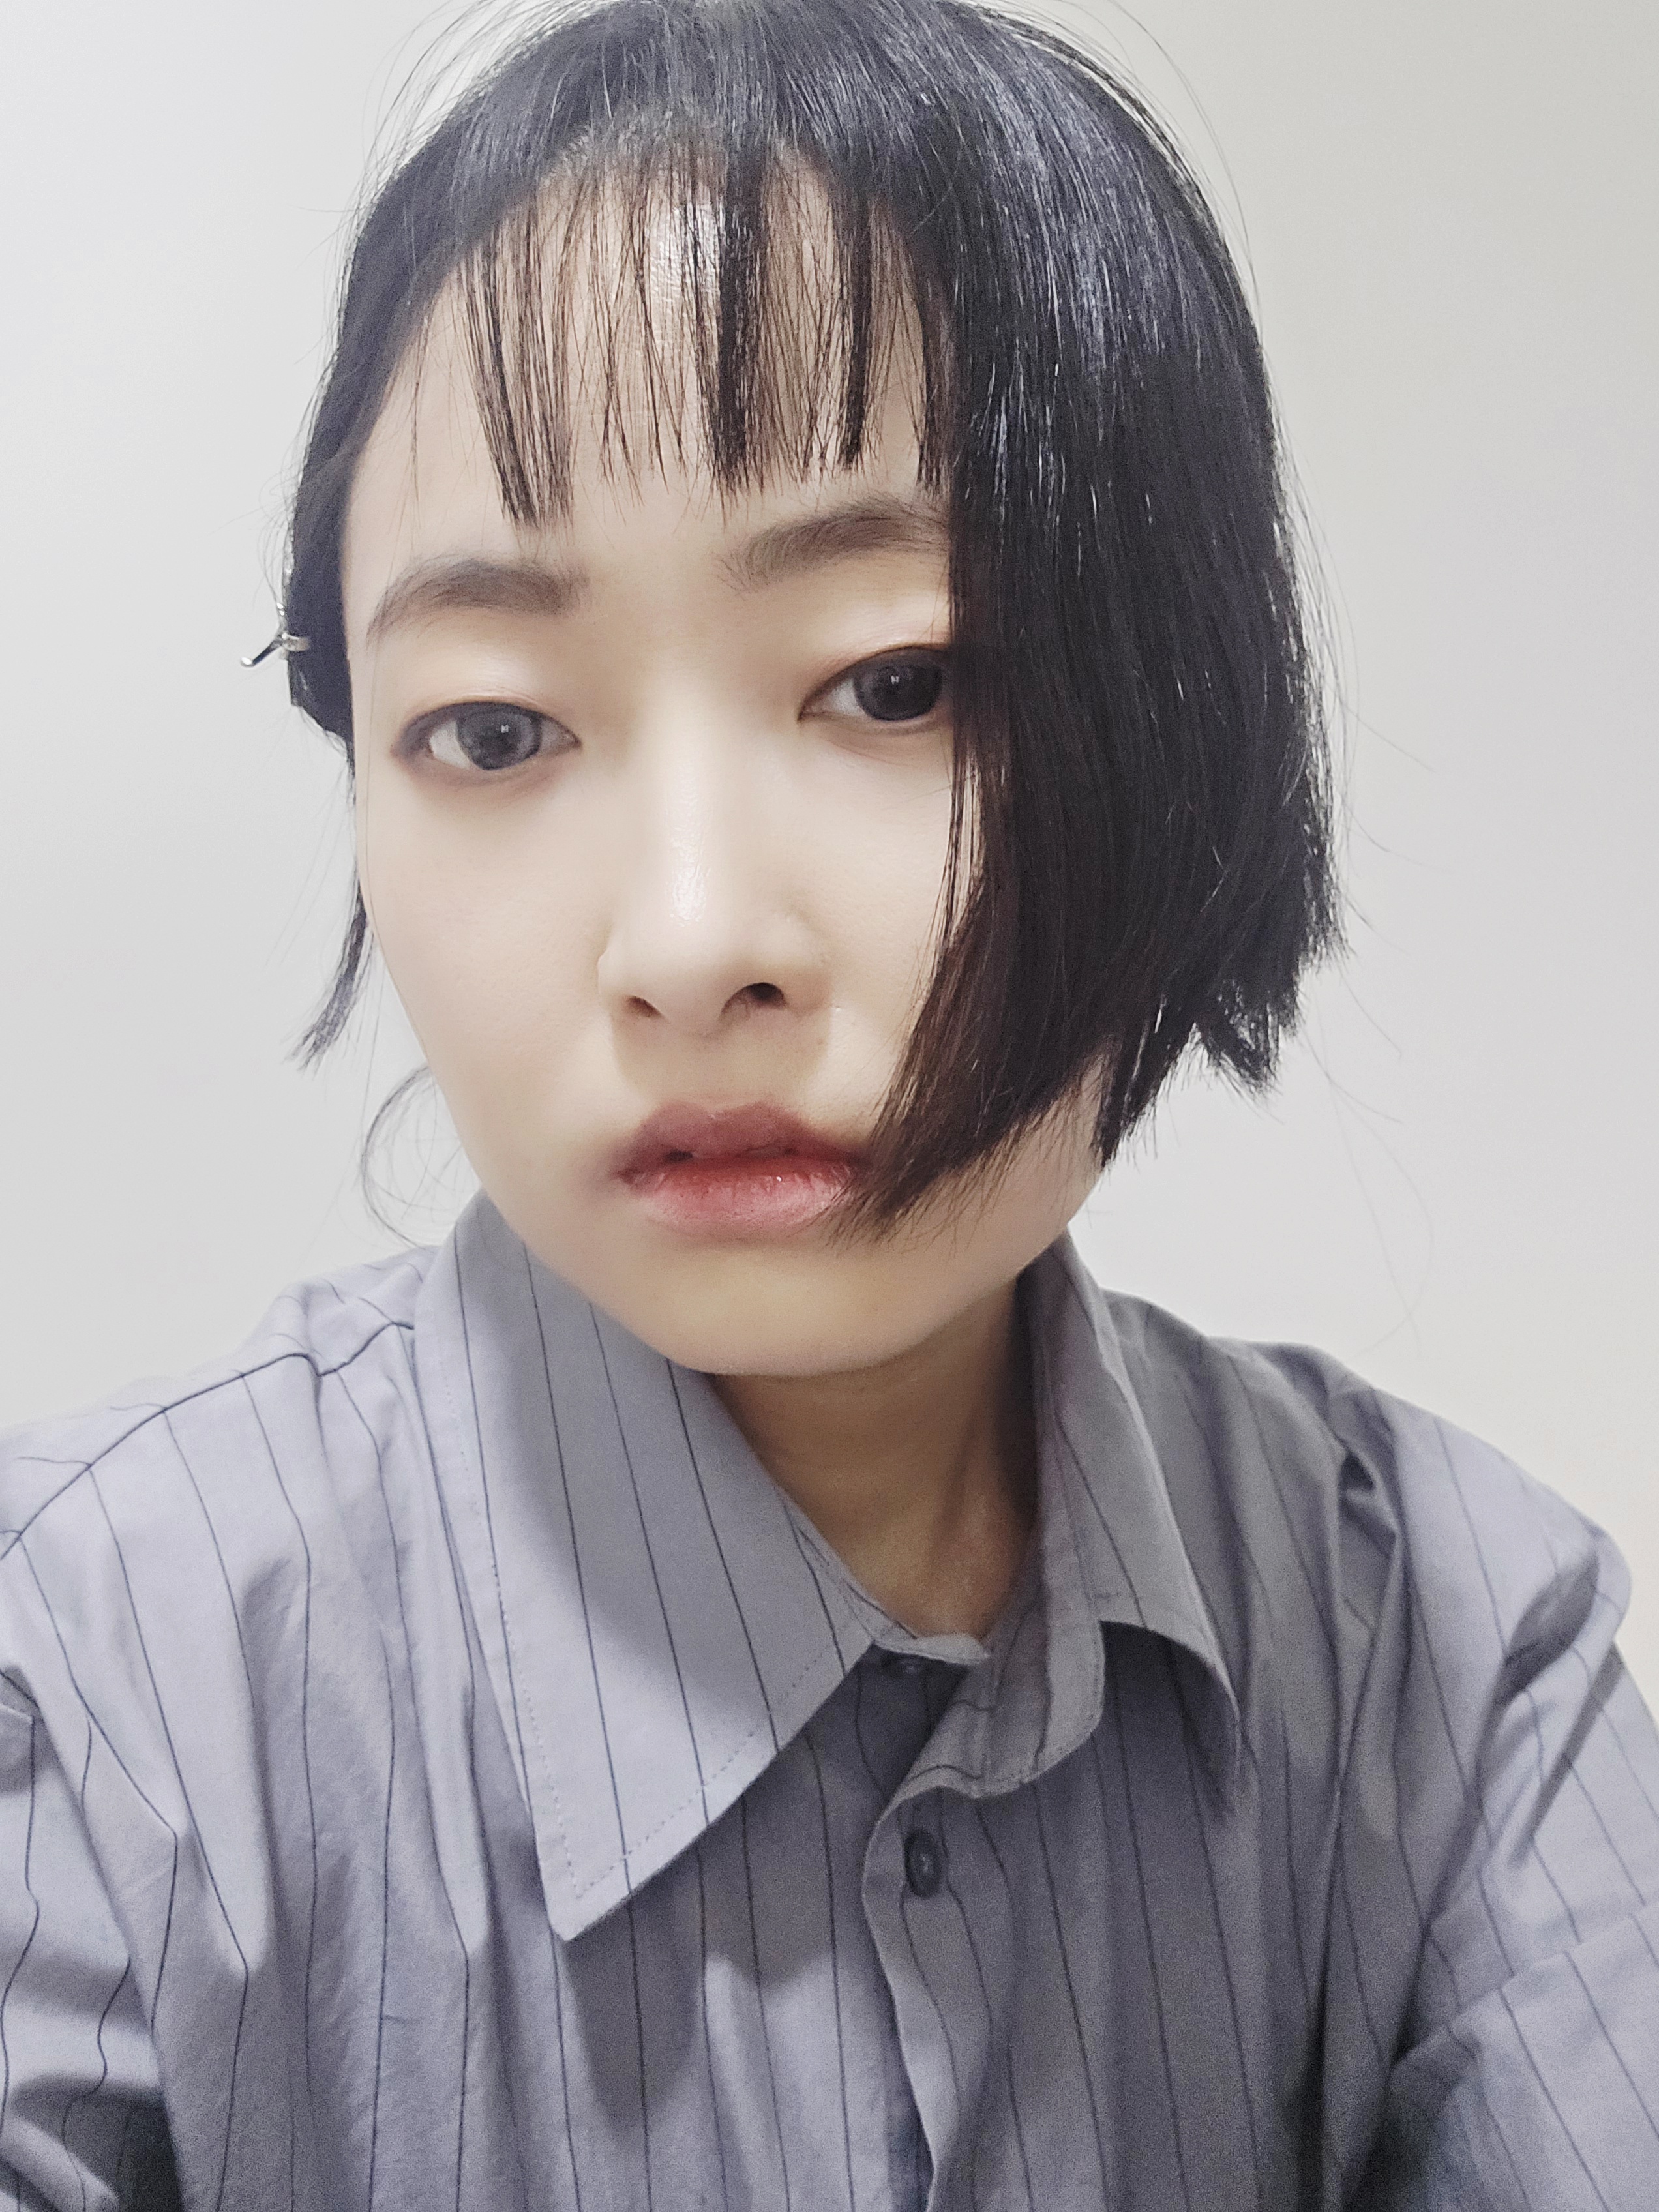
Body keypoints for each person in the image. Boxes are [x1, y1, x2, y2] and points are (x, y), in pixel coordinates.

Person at [1, 0, 1654, 2204]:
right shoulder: (86, 1697)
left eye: (899, 681)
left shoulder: (1452, 1653)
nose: (692, 941)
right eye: (494, 729)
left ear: (1196, 721)